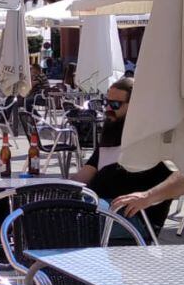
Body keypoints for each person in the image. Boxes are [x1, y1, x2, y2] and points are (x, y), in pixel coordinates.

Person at [72, 77, 173, 240]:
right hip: (103, 211)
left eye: (116, 104)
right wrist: (60, 189)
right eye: (107, 103)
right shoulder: (110, 137)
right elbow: (84, 175)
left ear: (136, 107)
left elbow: (172, 180)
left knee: (65, 226)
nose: (109, 109)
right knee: (48, 217)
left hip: (137, 221)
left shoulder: (154, 140)